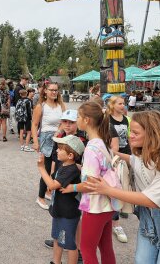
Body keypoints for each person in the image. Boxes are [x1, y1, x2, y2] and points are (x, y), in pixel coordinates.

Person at [86, 111, 160, 263]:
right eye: (130, 132)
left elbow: (151, 200)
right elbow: (133, 160)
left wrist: (109, 190)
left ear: (152, 134)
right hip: (151, 216)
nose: (130, 136)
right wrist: (105, 151)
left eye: (135, 132)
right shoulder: (144, 153)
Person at [60, 101, 116, 264]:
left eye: (78, 117)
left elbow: (91, 184)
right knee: (106, 248)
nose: (76, 120)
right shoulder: (103, 143)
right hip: (108, 205)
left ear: (87, 120)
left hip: (95, 206)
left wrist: (73, 187)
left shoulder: (91, 148)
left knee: (86, 249)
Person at [37, 135, 85, 264]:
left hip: (68, 214)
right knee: (57, 238)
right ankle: (56, 262)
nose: (57, 151)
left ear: (70, 155)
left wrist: (42, 168)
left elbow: (52, 185)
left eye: (60, 149)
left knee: (70, 244)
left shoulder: (71, 169)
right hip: (59, 210)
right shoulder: (64, 165)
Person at [32, 82, 66, 210]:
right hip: (46, 139)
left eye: (56, 90)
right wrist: (35, 141)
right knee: (45, 169)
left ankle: (48, 191)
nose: (54, 92)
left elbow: (64, 121)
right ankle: (40, 196)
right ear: (45, 91)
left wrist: (60, 130)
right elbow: (34, 125)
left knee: (58, 168)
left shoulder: (61, 105)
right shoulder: (41, 106)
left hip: (58, 139)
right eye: (51, 90)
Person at [106, 96, 130, 243]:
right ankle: (116, 224)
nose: (123, 106)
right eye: (120, 103)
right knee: (114, 186)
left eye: (123, 103)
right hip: (113, 156)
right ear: (113, 105)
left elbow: (129, 137)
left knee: (125, 185)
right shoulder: (107, 119)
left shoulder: (126, 118)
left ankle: (123, 207)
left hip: (126, 154)